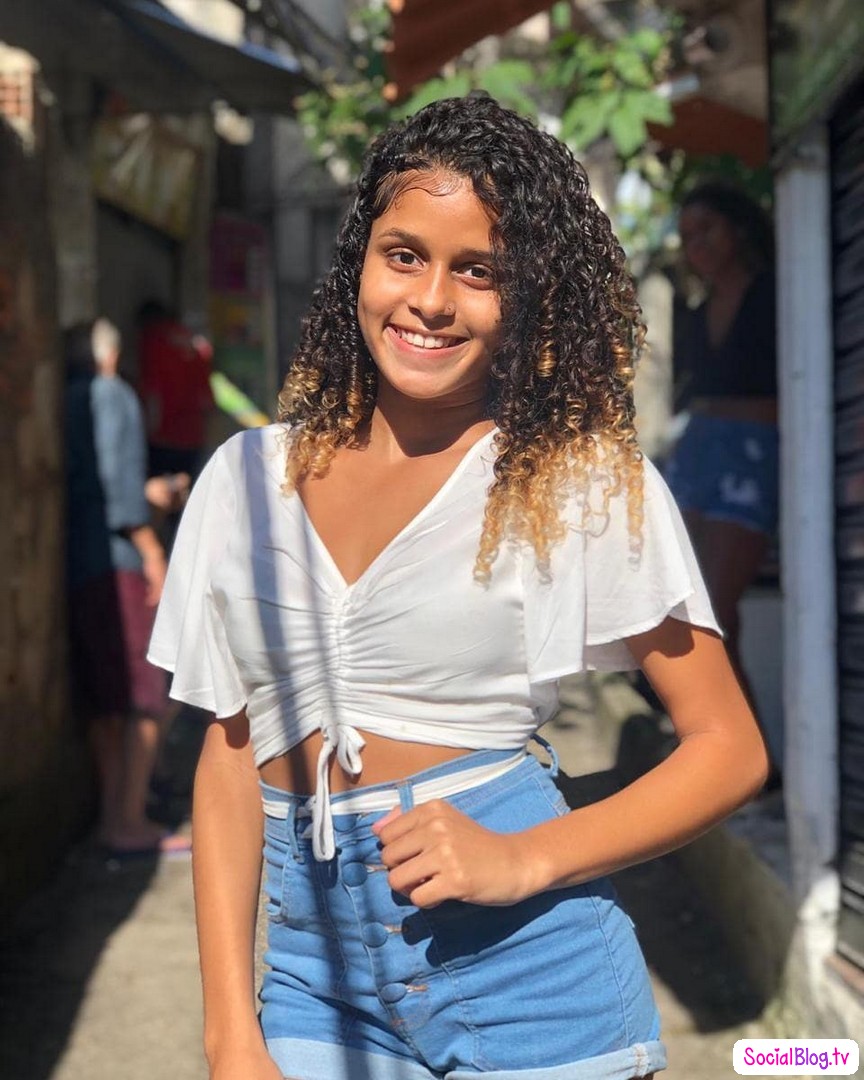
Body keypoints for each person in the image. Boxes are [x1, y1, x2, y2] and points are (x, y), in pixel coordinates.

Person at [148, 97, 768, 1080]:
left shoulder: (575, 483)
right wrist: (230, 1034)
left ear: (526, 295)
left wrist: (524, 858)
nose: (431, 300)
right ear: (360, 260)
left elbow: (729, 749)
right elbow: (230, 758)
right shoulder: (245, 483)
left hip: (532, 981)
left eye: (478, 271)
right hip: (313, 979)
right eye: (404, 255)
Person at [663, 181, 778, 774]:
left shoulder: (774, 292)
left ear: (738, 228)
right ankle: (730, 758)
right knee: (686, 609)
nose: (697, 245)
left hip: (753, 458)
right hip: (697, 458)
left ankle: (745, 760)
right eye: (687, 237)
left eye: (706, 229)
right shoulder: (694, 309)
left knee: (717, 612)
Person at [65, 317, 190, 857]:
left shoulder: (68, 398)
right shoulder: (111, 393)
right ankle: (129, 819)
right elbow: (118, 490)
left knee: (107, 701)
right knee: (147, 695)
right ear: (111, 355)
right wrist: (153, 552)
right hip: (117, 561)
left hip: (81, 561)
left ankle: (113, 816)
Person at [137, 299, 216, 482]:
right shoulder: (194, 342)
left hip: (165, 435)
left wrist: (148, 429)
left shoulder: (153, 341)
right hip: (193, 434)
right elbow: (206, 395)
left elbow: (153, 392)